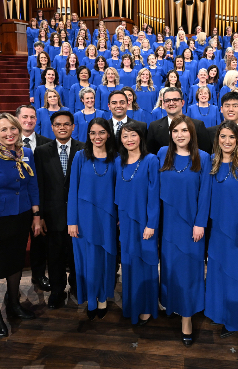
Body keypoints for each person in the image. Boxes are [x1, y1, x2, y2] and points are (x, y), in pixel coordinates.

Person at [0, 113, 42, 337]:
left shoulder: (26, 153)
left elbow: (32, 185)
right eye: (3, 130)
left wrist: (36, 215)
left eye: (13, 128)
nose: (9, 133)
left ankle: (13, 304)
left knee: (15, 263)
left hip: (21, 217)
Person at [158, 115, 211, 345]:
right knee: (170, 268)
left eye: (184, 130)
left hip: (192, 226)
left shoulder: (203, 158)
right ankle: (172, 305)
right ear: (170, 134)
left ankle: (187, 318)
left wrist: (200, 223)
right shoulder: (162, 154)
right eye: (176, 130)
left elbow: (206, 194)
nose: (180, 135)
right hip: (168, 224)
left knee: (189, 271)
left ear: (192, 133)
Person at [205, 121, 238, 337]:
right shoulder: (212, 162)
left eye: (231, 137)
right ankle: (220, 315)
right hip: (217, 229)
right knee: (218, 273)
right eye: (223, 136)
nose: (227, 141)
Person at [68, 118, 118, 320]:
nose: (97, 137)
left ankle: (103, 298)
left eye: (101, 132)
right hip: (84, 216)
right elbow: (72, 190)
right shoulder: (80, 157)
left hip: (108, 217)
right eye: (92, 133)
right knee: (87, 260)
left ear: (108, 134)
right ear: (88, 135)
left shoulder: (116, 157)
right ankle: (90, 297)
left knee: (106, 258)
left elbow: (120, 190)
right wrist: (72, 220)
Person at [34, 110, 83, 308]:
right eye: (58, 124)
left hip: (77, 214)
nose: (62, 127)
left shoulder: (83, 149)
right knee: (54, 256)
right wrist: (41, 215)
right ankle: (56, 290)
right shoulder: (41, 151)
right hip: (52, 214)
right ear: (52, 127)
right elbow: (40, 185)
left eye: (66, 124)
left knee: (76, 254)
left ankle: (78, 286)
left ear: (73, 126)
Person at [114, 122, 160, 325]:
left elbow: (154, 194)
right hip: (125, 220)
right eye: (125, 136)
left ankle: (147, 307)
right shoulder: (118, 161)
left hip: (145, 221)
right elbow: (117, 192)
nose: (129, 140)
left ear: (141, 137)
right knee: (129, 263)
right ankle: (132, 304)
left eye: (133, 135)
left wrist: (151, 224)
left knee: (145, 262)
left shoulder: (151, 160)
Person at [16, 105, 52, 292]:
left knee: (39, 241)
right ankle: (14, 282)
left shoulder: (47, 143)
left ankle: (39, 275)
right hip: (18, 201)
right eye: (25, 117)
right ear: (17, 119)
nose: (29, 120)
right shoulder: (9, 143)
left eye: (32, 117)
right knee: (18, 244)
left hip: (42, 200)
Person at [147, 87, 212, 154]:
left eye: (175, 100)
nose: (171, 103)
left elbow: (206, 153)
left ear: (182, 103)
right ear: (163, 104)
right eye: (167, 100)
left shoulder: (197, 126)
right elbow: (150, 154)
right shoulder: (154, 127)